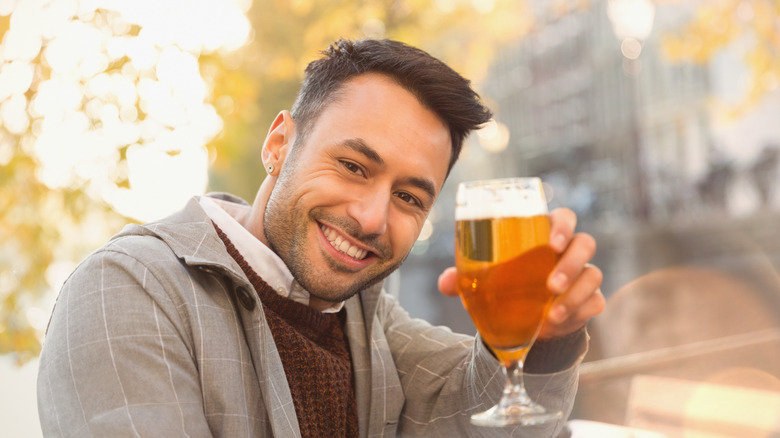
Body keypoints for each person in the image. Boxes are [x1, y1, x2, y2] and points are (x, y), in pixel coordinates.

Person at [37, 38, 604, 437]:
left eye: (410, 197)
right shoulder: (126, 293)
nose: (372, 217)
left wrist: (548, 337)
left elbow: (475, 422)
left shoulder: (366, 316)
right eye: (354, 166)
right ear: (279, 145)